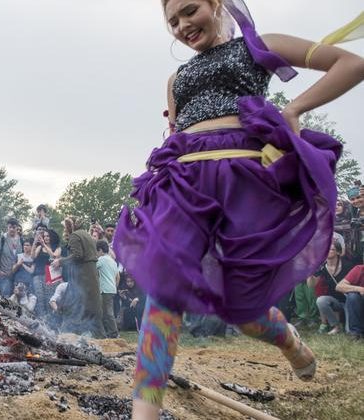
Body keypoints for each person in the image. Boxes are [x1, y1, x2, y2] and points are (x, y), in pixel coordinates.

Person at [113, 1, 363, 417]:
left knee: (241, 308)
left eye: (190, 10)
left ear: (215, 4)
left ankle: (288, 340)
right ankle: (144, 413)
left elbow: (350, 63)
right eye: (172, 21)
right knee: (163, 291)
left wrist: (293, 109)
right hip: (183, 188)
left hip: (245, 182)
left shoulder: (257, 46)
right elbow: (176, 134)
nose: (182, 25)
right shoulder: (176, 79)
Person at [52, 217, 104, 338]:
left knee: (76, 307)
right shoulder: (86, 234)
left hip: (83, 277)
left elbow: (78, 255)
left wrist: (61, 261)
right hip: (90, 275)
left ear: (70, 226)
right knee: (92, 309)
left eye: (65, 227)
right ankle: (100, 338)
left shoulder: (75, 236)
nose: (65, 230)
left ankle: (68, 336)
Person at [307, 236, 355, 335]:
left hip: (349, 300)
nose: (328, 250)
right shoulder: (322, 268)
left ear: (338, 252)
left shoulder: (348, 265)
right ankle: (336, 326)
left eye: (332, 249)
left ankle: (348, 326)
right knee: (321, 300)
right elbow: (311, 285)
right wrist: (310, 274)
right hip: (335, 301)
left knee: (349, 331)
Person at [0, 218, 23, 297]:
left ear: (17, 228)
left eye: (14, 227)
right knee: (5, 297)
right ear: (7, 227)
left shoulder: (21, 240)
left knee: (16, 298)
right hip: (4, 274)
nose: (12, 229)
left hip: (17, 275)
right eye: (10, 227)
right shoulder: (1, 239)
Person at [96, 240, 120, 338]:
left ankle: (114, 333)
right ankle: (109, 332)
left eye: (96, 251)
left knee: (108, 312)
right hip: (112, 288)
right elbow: (116, 276)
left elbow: (92, 267)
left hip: (105, 289)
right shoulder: (113, 261)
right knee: (106, 312)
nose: (96, 254)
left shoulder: (101, 259)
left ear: (100, 250)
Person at [335, 265, 364, 339]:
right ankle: (356, 333)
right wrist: (360, 289)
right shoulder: (359, 269)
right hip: (360, 308)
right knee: (352, 296)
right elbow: (339, 286)